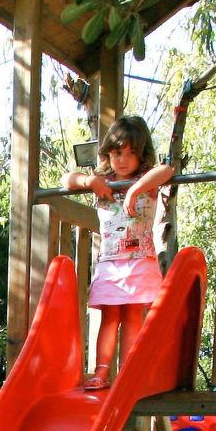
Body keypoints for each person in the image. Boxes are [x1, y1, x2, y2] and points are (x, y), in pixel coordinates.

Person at [62, 113, 174, 391]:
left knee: (133, 317)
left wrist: (136, 189)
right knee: (110, 317)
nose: (122, 160)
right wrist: (89, 182)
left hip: (139, 262)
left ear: (141, 155)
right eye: (116, 153)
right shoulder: (104, 183)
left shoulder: (146, 182)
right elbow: (68, 178)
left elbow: (168, 170)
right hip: (111, 263)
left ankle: (127, 371)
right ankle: (101, 372)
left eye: (130, 153)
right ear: (108, 154)